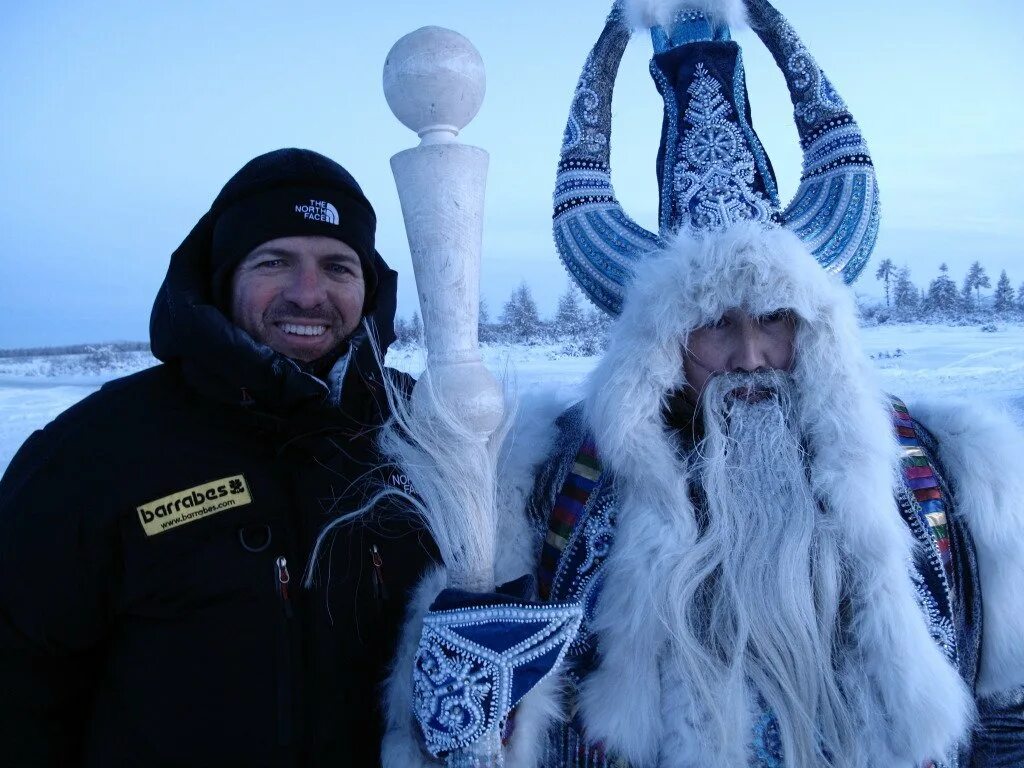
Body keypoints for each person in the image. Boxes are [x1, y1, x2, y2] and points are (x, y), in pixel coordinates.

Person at [381, 2, 1024, 766]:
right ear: (662, 348)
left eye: (776, 320)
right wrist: (470, 712)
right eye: (715, 325)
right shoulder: (558, 491)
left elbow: (1007, 721)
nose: (750, 356)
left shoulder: (944, 479)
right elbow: (499, 739)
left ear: (817, 333)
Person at [0, 147, 436, 767]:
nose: (308, 294)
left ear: (368, 287)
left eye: (338, 266)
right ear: (223, 275)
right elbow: (18, 690)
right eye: (275, 261)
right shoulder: (94, 451)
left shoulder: (430, 432)